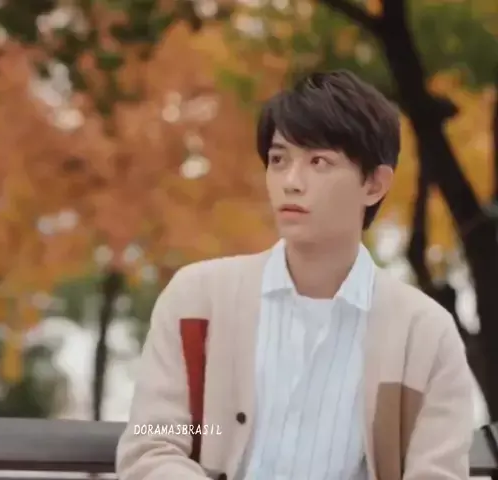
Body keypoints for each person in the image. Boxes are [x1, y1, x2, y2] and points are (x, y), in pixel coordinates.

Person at [115, 70, 475, 480]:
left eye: (319, 162)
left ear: (374, 184)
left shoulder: (424, 334)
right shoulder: (198, 300)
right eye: (278, 160)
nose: (291, 182)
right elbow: (151, 446)